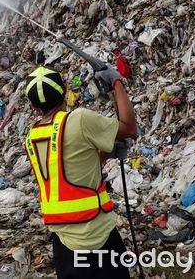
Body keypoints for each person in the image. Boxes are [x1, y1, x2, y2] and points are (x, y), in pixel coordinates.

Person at [24, 65, 136, 278]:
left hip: (64, 244)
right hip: (98, 235)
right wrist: (117, 83)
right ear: (65, 89)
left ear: (32, 105)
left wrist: (105, 155)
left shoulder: (32, 137)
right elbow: (129, 127)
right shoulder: (79, 119)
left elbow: (71, 171)